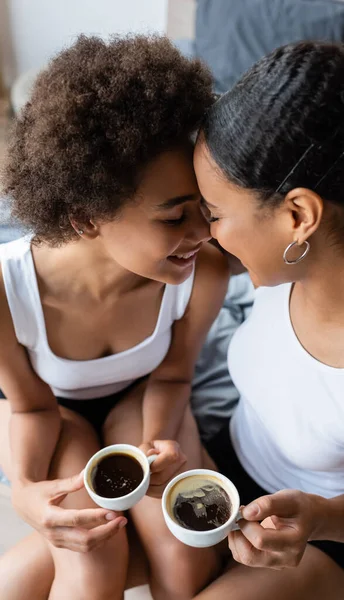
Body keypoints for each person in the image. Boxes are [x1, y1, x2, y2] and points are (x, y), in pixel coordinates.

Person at [0, 35, 229, 600]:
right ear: (85, 218)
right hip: (57, 412)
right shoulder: (6, 290)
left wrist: (159, 444)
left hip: (144, 398)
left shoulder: (208, 271)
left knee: (184, 559)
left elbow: (174, 375)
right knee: (92, 552)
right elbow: (28, 404)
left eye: (205, 209)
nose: (202, 234)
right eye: (175, 217)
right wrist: (24, 489)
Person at [193, 41, 344, 600]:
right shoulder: (289, 264)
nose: (207, 234)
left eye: (214, 215)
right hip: (228, 458)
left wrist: (315, 517)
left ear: (298, 216)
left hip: (323, 528)